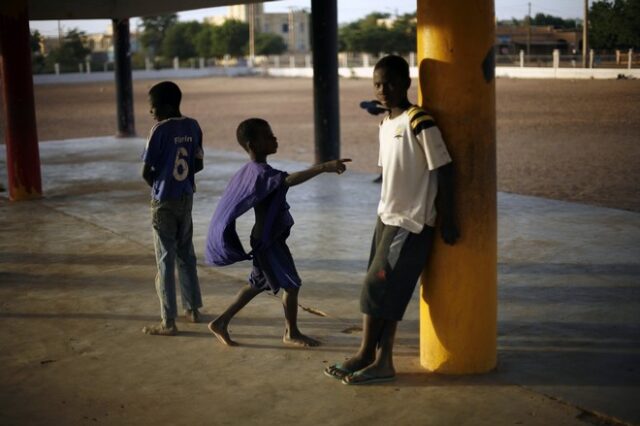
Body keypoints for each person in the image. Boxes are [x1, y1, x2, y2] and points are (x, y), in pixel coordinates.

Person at [324, 55, 459, 384]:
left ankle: (379, 357)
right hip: (386, 217)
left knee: (378, 286)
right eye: (378, 84)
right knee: (385, 289)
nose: (383, 90)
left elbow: (444, 168)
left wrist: (449, 216)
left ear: (406, 84)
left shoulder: (419, 120)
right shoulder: (385, 124)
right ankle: (369, 353)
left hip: (411, 221)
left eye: (390, 83)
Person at [205, 118, 351, 347]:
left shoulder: (250, 171)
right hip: (269, 242)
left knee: (256, 284)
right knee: (292, 286)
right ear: (253, 145)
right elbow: (289, 180)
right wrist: (323, 167)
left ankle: (221, 322)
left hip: (264, 238)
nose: (274, 139)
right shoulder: (263, 173)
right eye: (268, 136)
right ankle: (291, 333)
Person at [141, 81, 204, 336]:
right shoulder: (193, 126)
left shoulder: (159, 130)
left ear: (166, 106)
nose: (151, 112)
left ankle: (168, 321)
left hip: (164, 201)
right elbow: (198, 165)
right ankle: (193, 309)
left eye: (152, 107)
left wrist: (158, 187)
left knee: (165, 259)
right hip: (185, 198)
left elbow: (146, 171)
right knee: (186, 254)